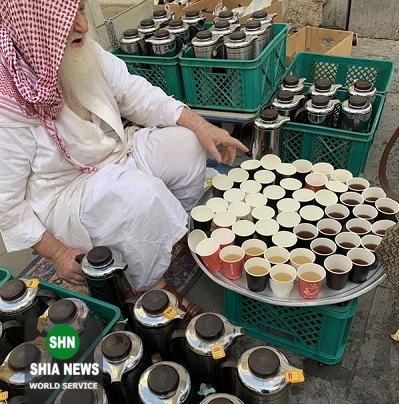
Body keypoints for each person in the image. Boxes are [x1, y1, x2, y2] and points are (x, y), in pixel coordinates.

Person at [0, 0, 248, 314]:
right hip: (68, 193)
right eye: (66, 19)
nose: (83, 26)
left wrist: (202, 126)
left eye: (79, 10)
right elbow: (6, 205)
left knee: (186, 143)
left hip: (117, 153)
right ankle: (151, 288)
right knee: (137, 195)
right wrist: (58, 254)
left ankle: (174, 235)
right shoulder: (8, 104)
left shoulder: (80, 50)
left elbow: (135, 93)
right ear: (36, 30)